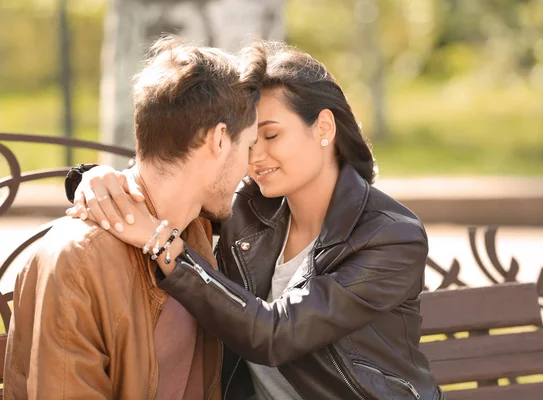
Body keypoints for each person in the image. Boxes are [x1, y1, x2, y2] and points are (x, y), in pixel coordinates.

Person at [65, 42, 444, 400]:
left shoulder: (390, 237)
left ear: (324, 128)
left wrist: (166, 248)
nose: (255, 157)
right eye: (249, 141)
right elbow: (169, 186)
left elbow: (275, 335)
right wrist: (96, 178)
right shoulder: (249, 205)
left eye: (272, 135)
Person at [4, 35, 265, 400]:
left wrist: (89, 173)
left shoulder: (197, 226)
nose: (250, 167)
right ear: (220, 140)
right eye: (249, 145)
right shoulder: (76, 262)